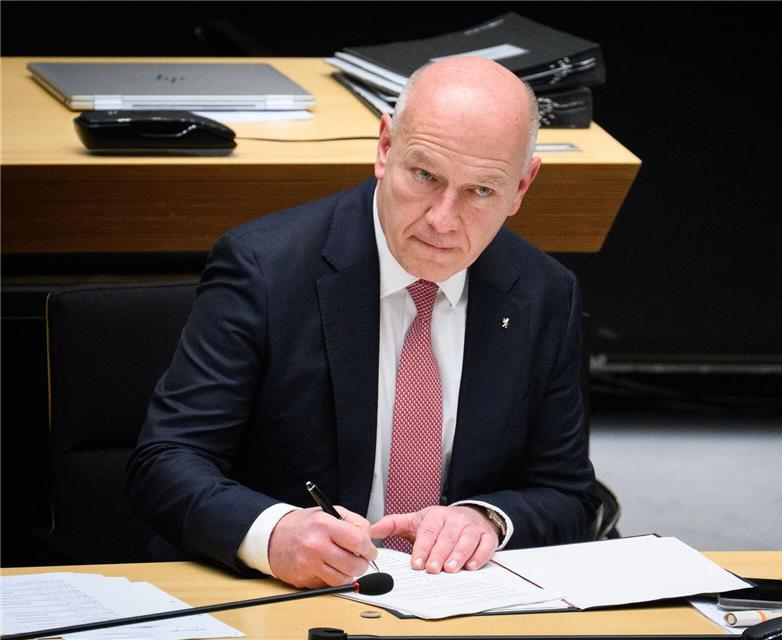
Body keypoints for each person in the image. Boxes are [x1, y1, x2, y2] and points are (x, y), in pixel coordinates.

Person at [127, 56, 597, 589]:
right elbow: (165, 462)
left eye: (481, 191)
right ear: (385, 147)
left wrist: (485, 518)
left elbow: (569, 493)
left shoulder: (543, 292)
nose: (443, 221)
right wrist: (272, 532)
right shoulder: (265, 269)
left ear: (521, 187)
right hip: (283, 597)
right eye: (425, 175)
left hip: (456, 600)